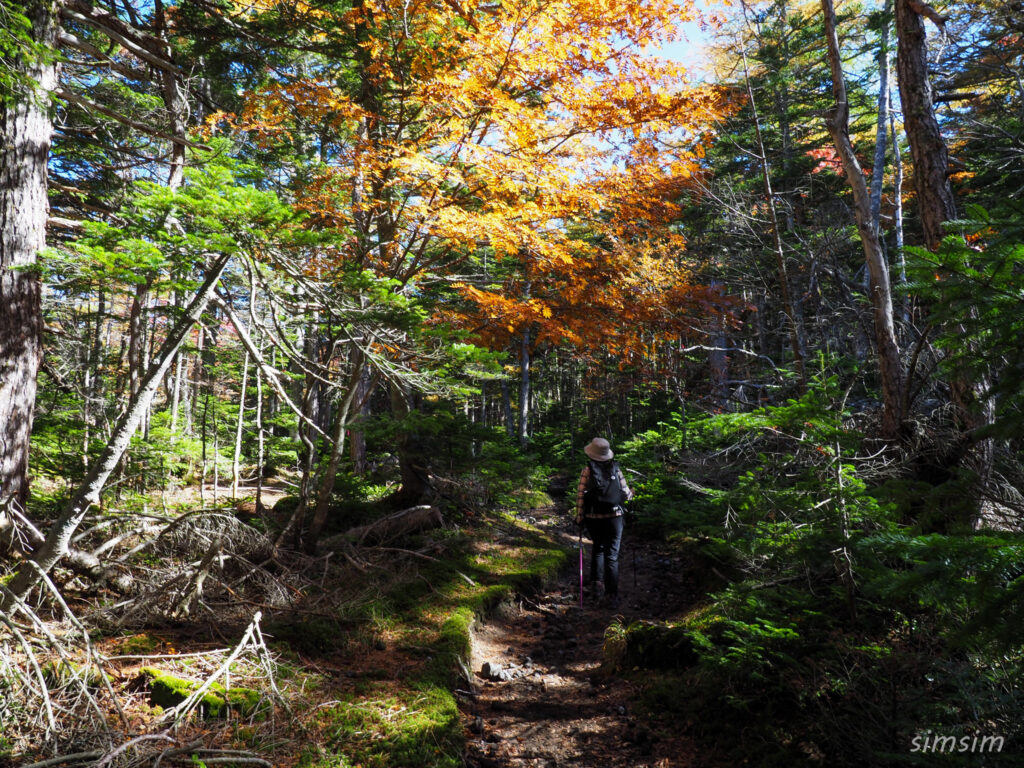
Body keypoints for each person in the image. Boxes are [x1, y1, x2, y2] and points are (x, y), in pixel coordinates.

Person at [575, 437, 633, 607]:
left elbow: (580, 495)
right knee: (612, 555)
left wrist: (579, 517)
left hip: (594, 518)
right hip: (615, 517)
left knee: (598, 548)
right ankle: (612, 595)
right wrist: (631, 494)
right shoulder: (616, 469)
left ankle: (596, 584)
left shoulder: (587, 470)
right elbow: (626, 493)